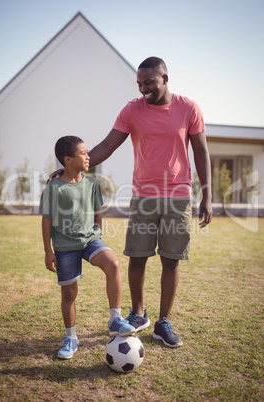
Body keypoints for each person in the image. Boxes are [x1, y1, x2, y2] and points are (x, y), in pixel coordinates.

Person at [87, 57, 213, 348]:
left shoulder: (189, 108)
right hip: (143, 197)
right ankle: (138, 314)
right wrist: (76, 166)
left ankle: (163, 322)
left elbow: (201, 152)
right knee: (137, 257)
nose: (143, 89)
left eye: (149, 83)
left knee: (171, 261)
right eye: (140, 84)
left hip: (178, 198)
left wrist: (207, 195)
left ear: (165, 79)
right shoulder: (132, 110)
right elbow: (107, 145)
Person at [39, 135, 136, 360]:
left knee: (113, 263)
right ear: (68, 159)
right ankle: (71, 337)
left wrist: (98, 233)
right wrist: (48, 250)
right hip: (65, 246)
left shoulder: (93, 183)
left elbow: (97, 211)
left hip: (90, 239)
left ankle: (115, 319)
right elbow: (46, 219)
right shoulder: (54, 187)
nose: (88, 156)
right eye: (83, 153)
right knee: (69, 293)